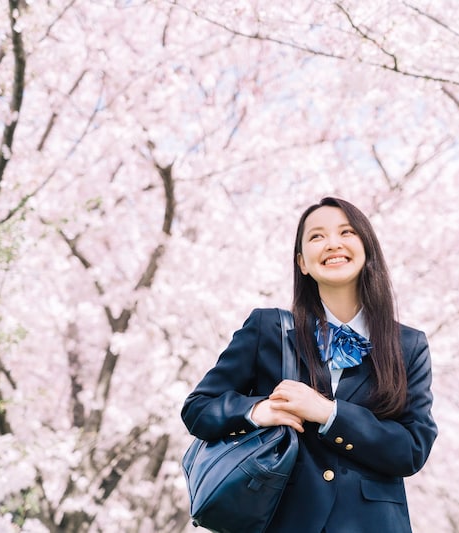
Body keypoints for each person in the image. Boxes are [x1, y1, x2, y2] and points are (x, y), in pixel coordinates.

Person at [181, 197, 437, 532]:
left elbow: (412, 449)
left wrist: (329, 414)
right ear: (302, 262)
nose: (333, 244)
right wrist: (257, 411)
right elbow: (198, 408)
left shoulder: (408, 345)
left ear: (367, 248)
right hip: (282, 521)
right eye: (317, 236)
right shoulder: (268, 329)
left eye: (347, 232)